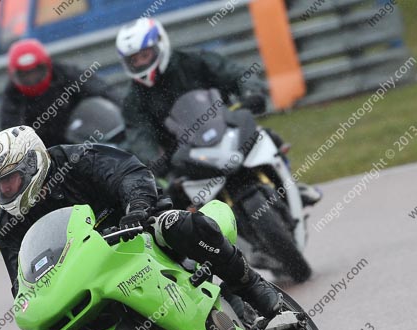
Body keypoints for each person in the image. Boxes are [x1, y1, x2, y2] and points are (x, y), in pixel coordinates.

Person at [0, 125, 284, 327]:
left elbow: (129, 174)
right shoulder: (8, 225)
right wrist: (31, 306)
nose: (6, 190)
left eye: (10, 180)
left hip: (136, 229)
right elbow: (21, 278)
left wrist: (136, 208)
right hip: (87, 269)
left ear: (33, 163)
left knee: (179, 225)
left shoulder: (77, 159)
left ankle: (252, 287)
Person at [115, 17, 321, 206]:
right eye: (134, 60)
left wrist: (250, 92)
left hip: (226, 129)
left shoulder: (194, 61)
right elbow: (139, 135)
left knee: (267, 136)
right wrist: (152, 159)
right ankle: (209, 240)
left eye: (145, 54)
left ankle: (292, 189)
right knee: (173, 198)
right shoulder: (134, 100)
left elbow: (236, 73)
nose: (141, 62)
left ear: (160, 44)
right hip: (184, 156)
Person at [0, 38, 122, 147]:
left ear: (47, 65)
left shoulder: (64, 74)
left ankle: (112, 145)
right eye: (25, 75)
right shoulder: (12, 96)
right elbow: (11, 136)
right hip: (45, 152)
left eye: (36, 72)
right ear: (13, 76)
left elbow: (102, 90)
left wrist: (126, 113)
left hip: (79, 137)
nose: (32, 80)